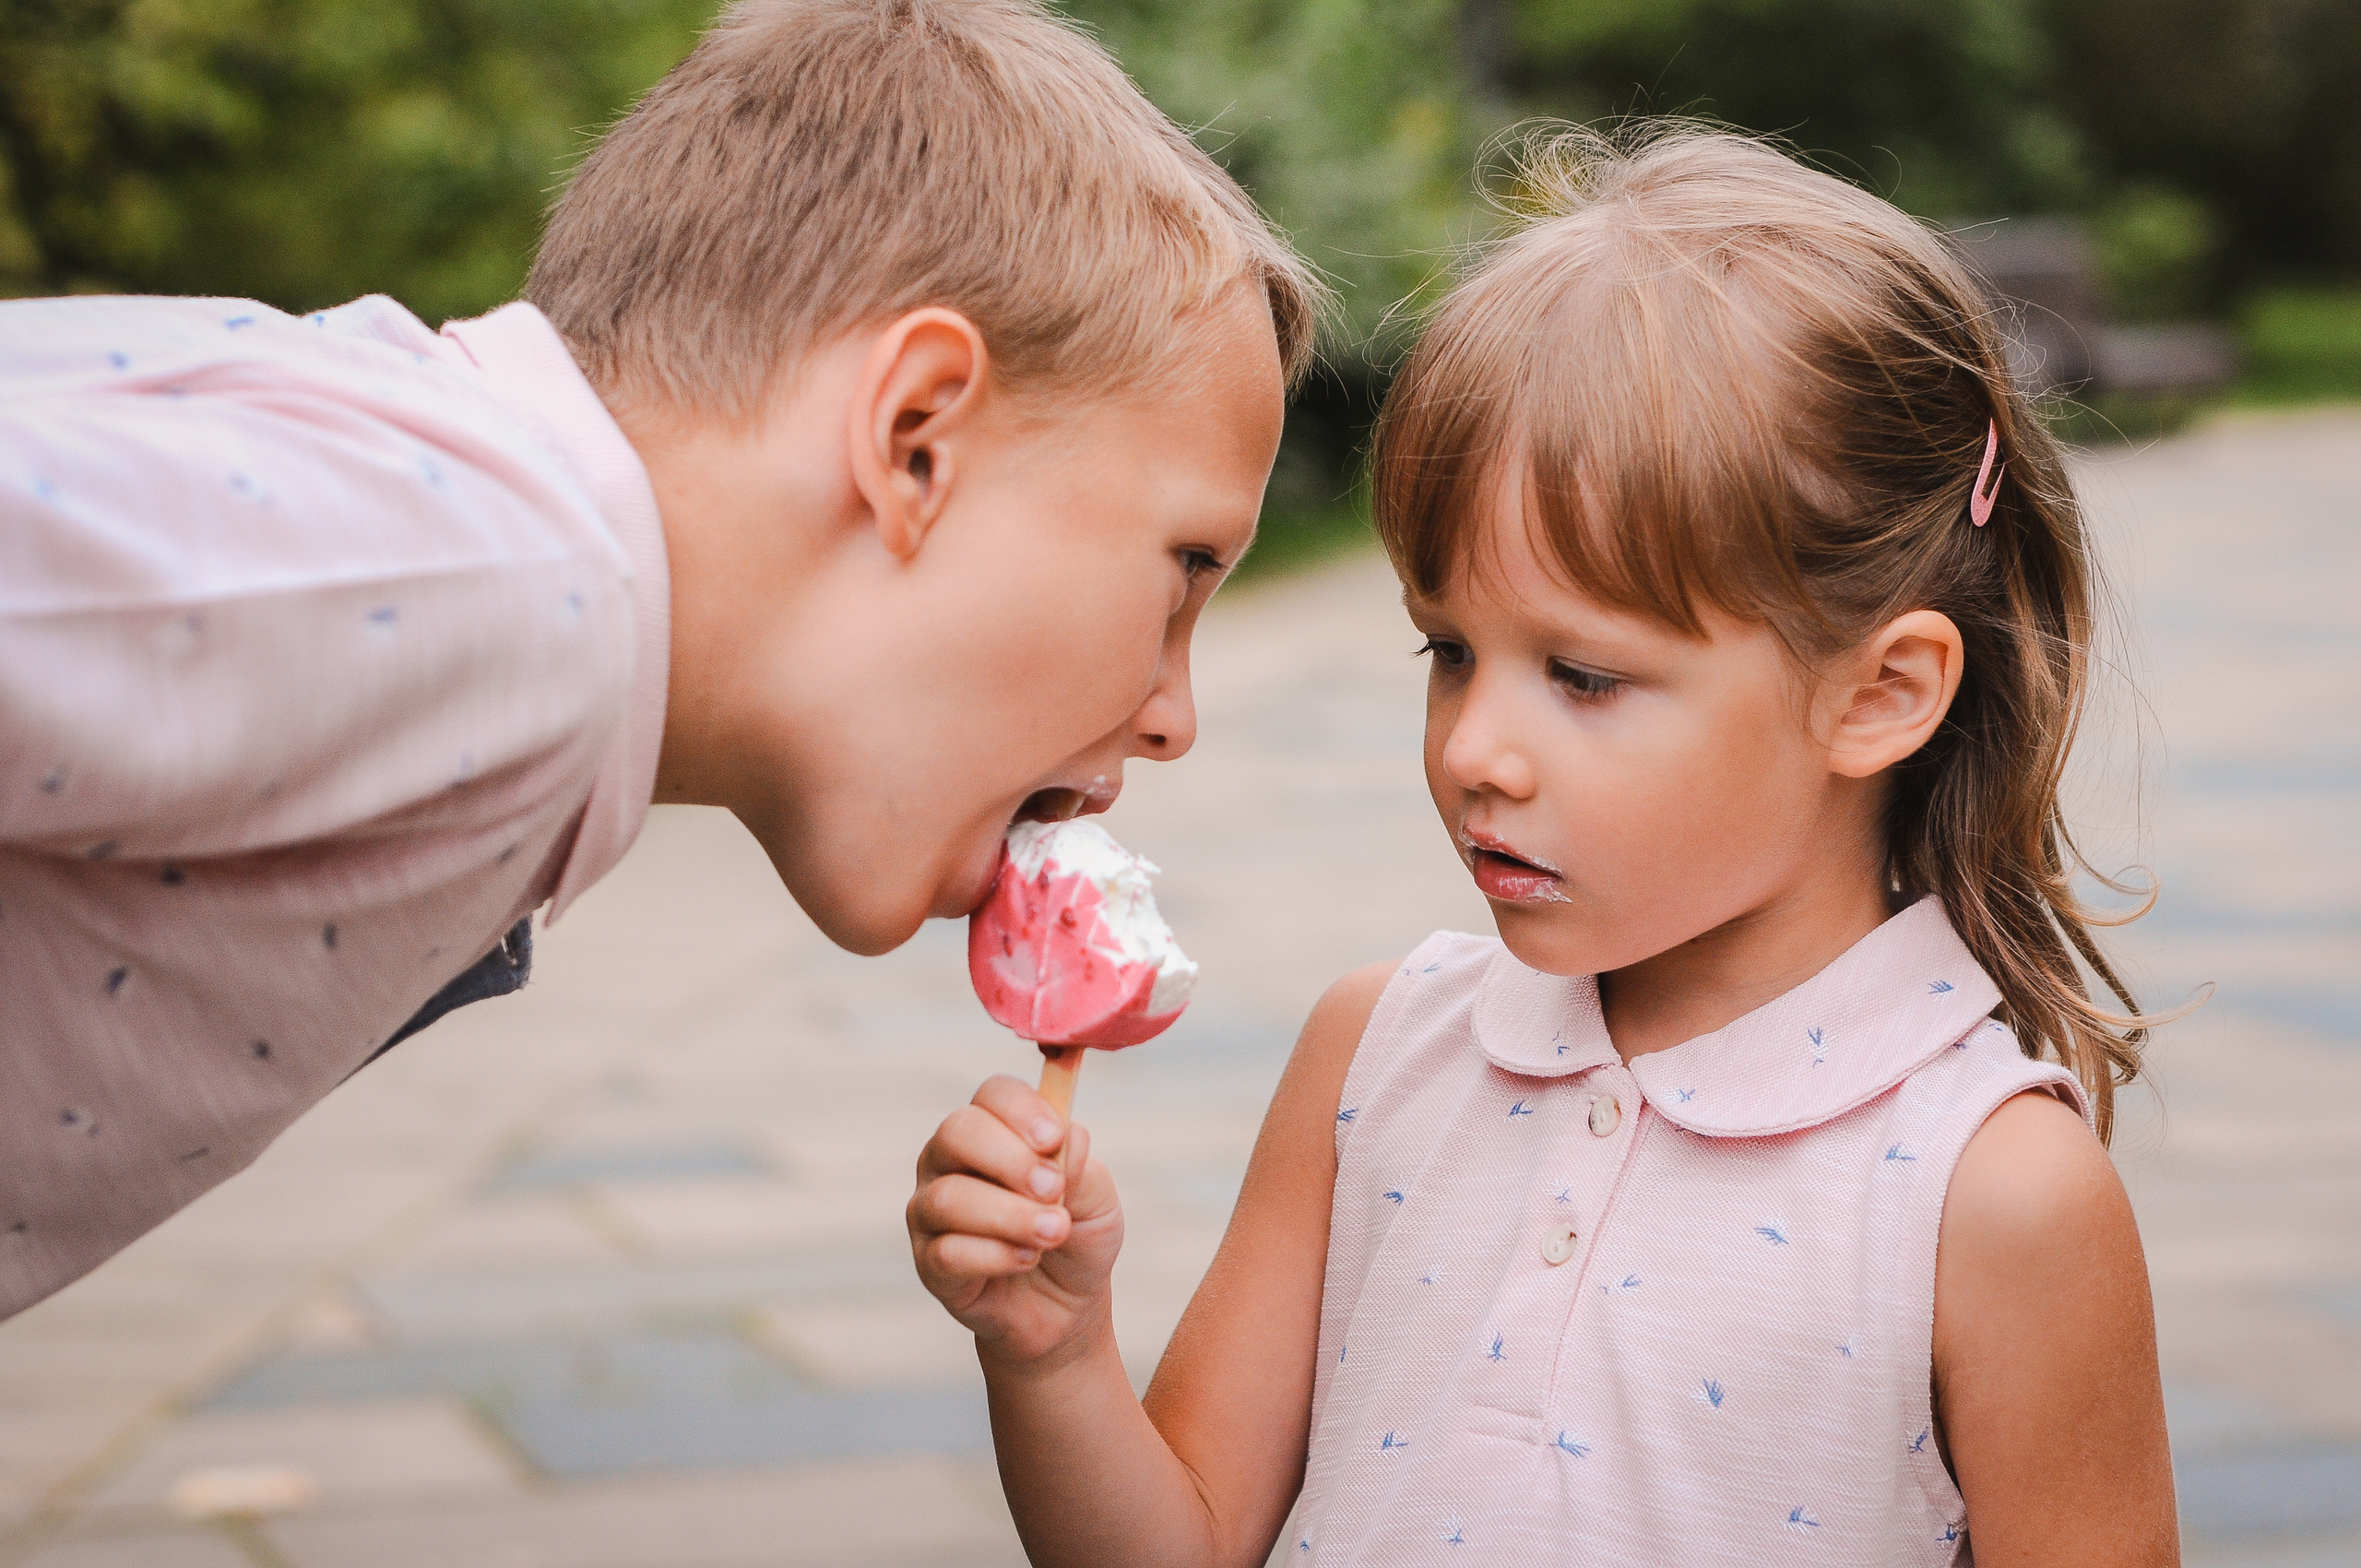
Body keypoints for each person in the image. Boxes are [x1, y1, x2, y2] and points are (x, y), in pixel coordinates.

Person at [908, 125, 2181, 1566]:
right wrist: (1056, 1357)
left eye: (1583, 676)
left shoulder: (1989, 1190)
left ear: (1877, 696)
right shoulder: (1377, 1057)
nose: (1473, 750)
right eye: (1450, 649)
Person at [0, 0, 1320, 1320]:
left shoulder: (495, 585)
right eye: (1186, 571)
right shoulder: (497, 581)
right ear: (918, 439)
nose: (1173, 717)